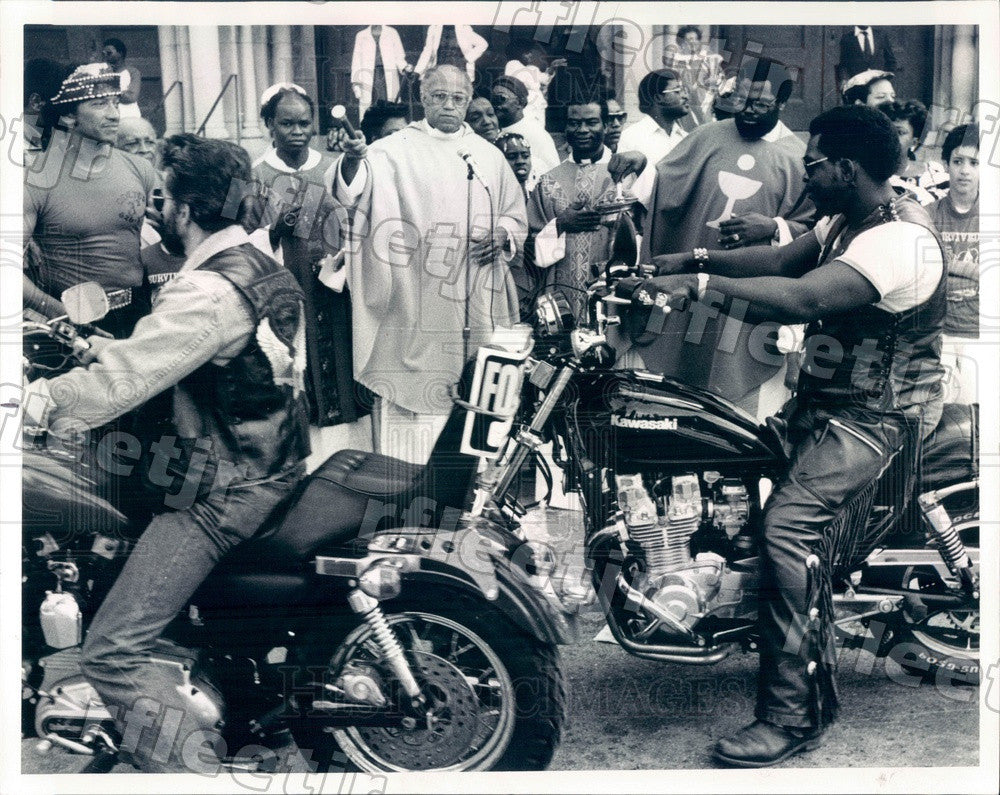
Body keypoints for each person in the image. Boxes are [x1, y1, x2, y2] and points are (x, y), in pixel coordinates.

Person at [644, 104, 945, 767]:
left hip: (878, 412)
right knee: (725, 460)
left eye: (813, 162)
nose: (805, 172)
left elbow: (804, 296)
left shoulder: (897, 239)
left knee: (787, 531)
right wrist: (685, 257)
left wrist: (696, 285)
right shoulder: (847, 217)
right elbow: (781, 256)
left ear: (845, 167)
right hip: (828, 399)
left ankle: (792, 715)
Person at [24, 134, 310, 773]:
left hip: (227, 490)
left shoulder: (206, 290)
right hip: (276, 464)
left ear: (186, 208)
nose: (156, 209)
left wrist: (38, 402)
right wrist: (107, 351)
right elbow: (184, 358)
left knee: (111, 653)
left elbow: (118, 386)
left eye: (164, 196)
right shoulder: (260, 265)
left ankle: (190, 778)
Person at [329, 65, 527, 465]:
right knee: (417, 418)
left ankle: (475, 494)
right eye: (439, 97)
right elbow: (356, 191)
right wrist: (352, 162)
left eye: (458, 98)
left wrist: (503, 234)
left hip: (478, 295)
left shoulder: (488, 155)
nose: (449, 106)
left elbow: (514, 213)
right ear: (422, 98)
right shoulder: (393, 150)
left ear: (468, 100)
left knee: (480, 396)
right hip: (416, 297)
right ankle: (412, 490)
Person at [632, 57, 815, 419]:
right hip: (691, 295)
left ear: (780, 104)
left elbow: (814, 231)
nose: (746, 111)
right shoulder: (707, 136)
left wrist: (774, 226)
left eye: (760, 104)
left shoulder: (798, 156)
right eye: (740, 99)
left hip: (751, 299)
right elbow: (662, 189)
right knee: (681, 387)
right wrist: (639, 162)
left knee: (739, 403)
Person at [251, 83, 370, 446]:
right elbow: (242, 240)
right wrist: (276, 230)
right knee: (299, 372)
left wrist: (352, 161)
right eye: (288, 124)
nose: (299, 132)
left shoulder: (329, 166)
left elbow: (352, 201)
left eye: (305, 123)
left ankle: (353, 452)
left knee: (345, 370)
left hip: (336, 291)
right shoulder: (253, 175)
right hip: (288, 292)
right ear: (269, 124)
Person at [25, 62, 157, 337]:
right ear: (70, 115)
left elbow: (181, 231)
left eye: (115, 103)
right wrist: (58, 313)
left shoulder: (140, 168)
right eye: (99, 104)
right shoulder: (35, 177)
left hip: (139, 312)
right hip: (71, 318)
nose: (113, 115)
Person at [527, 95, 621, 318]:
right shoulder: (548, 181)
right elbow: (529, 246)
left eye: (591, 122)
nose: (582, 130)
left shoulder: (623, 175)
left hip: (612, 290)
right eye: (574, 123)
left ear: (606, 126)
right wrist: (560, 224)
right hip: (560, 293)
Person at [930, 123, 980, 403]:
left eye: (974, 162)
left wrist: (949, 265)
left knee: (978, 412)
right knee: (942, 409)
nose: (964, 170)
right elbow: (925, 274)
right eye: (958, 161)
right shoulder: (927, 215)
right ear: (945, 164)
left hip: (980, 333)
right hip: (939, 332)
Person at [616, 68, 690, 209]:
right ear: (657, 98)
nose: (685, 96)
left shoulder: (686, 138)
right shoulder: (632, 137)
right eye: (677, 91)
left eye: (684, 90)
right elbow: (624, 191)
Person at [878, 100, 948, 205]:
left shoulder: (934, 173)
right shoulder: (871, 178)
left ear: (914, 141)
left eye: (899, 132)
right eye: (885, 130)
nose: (889, 137)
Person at [492, 75, 561, 176]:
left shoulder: (536, 133)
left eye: (502, 98)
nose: (496, 105)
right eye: (493, 99)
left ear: (520, 102)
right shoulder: (493, 130)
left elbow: (555, 173)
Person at [351, 24, 412, 119]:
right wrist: (356, 82)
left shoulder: (392, 33)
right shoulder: (361, 35)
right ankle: (371, 132)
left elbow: (399, 56)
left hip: (387, 76)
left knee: (389, 104)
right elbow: (356, 61)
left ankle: (390, 131)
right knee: (370, 106)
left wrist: (404, 67)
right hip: (368, 76)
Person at [669, 25, 725, 125]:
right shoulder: (677, 60)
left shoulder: (709, 57)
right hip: (686, 100)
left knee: (707, 126)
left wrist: (714, 80)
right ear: (682, 42)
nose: (693, 42)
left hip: (706, 100)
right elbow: (674, 81)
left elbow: (718, 78)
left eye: (696, 39)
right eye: (690, 39)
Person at [414, 25, 488, 83]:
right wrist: (417, 71)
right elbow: (427, 51)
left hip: (459, 74)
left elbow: (483, 44)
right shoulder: (434, 28)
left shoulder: (464, 29)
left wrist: (466, 59)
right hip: (439, 74)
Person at [101, 37, 142, 118]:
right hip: (108, 116)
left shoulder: (133, 72)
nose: (105, 56)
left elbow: (131, 98)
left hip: (128, 116)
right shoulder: (101, 71)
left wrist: (110, 85)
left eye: (109, 53)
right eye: (103, 54)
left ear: (120, 53)